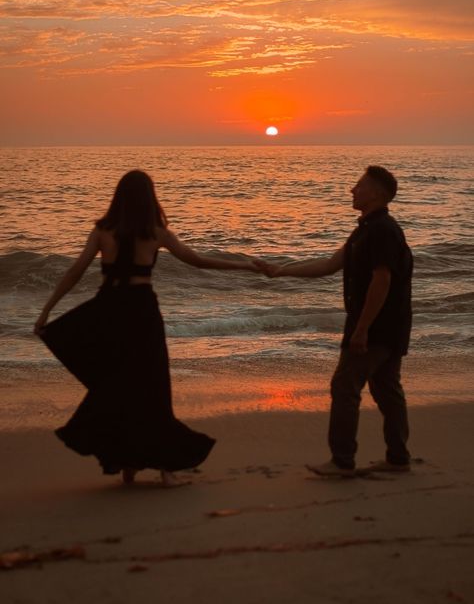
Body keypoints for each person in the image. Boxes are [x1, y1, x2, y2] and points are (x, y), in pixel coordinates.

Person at [35, 169, 259, 487]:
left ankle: (128, 465)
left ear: (119, 197)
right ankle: (165, 470)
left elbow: (75, 271)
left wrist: (46, 311)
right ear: (149, 198)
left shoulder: (102, 230)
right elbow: (196, 260)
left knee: (119, 384)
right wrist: (245, 264)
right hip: (141, 312)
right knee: (153, 387)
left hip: (109, 310)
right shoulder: (157, 232)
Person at [256, 166, 413, 477]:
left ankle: (342, 461)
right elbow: (329, 265)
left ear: (377, 194)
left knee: (345, 387)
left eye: (359, 186)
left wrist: (362, 329)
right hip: (390, 326)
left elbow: (381, 281)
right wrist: (281, 270)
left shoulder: (382, 230)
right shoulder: (365, 230)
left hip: (377, 327)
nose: (352, 190)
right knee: (386, 389)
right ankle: (398, 458)